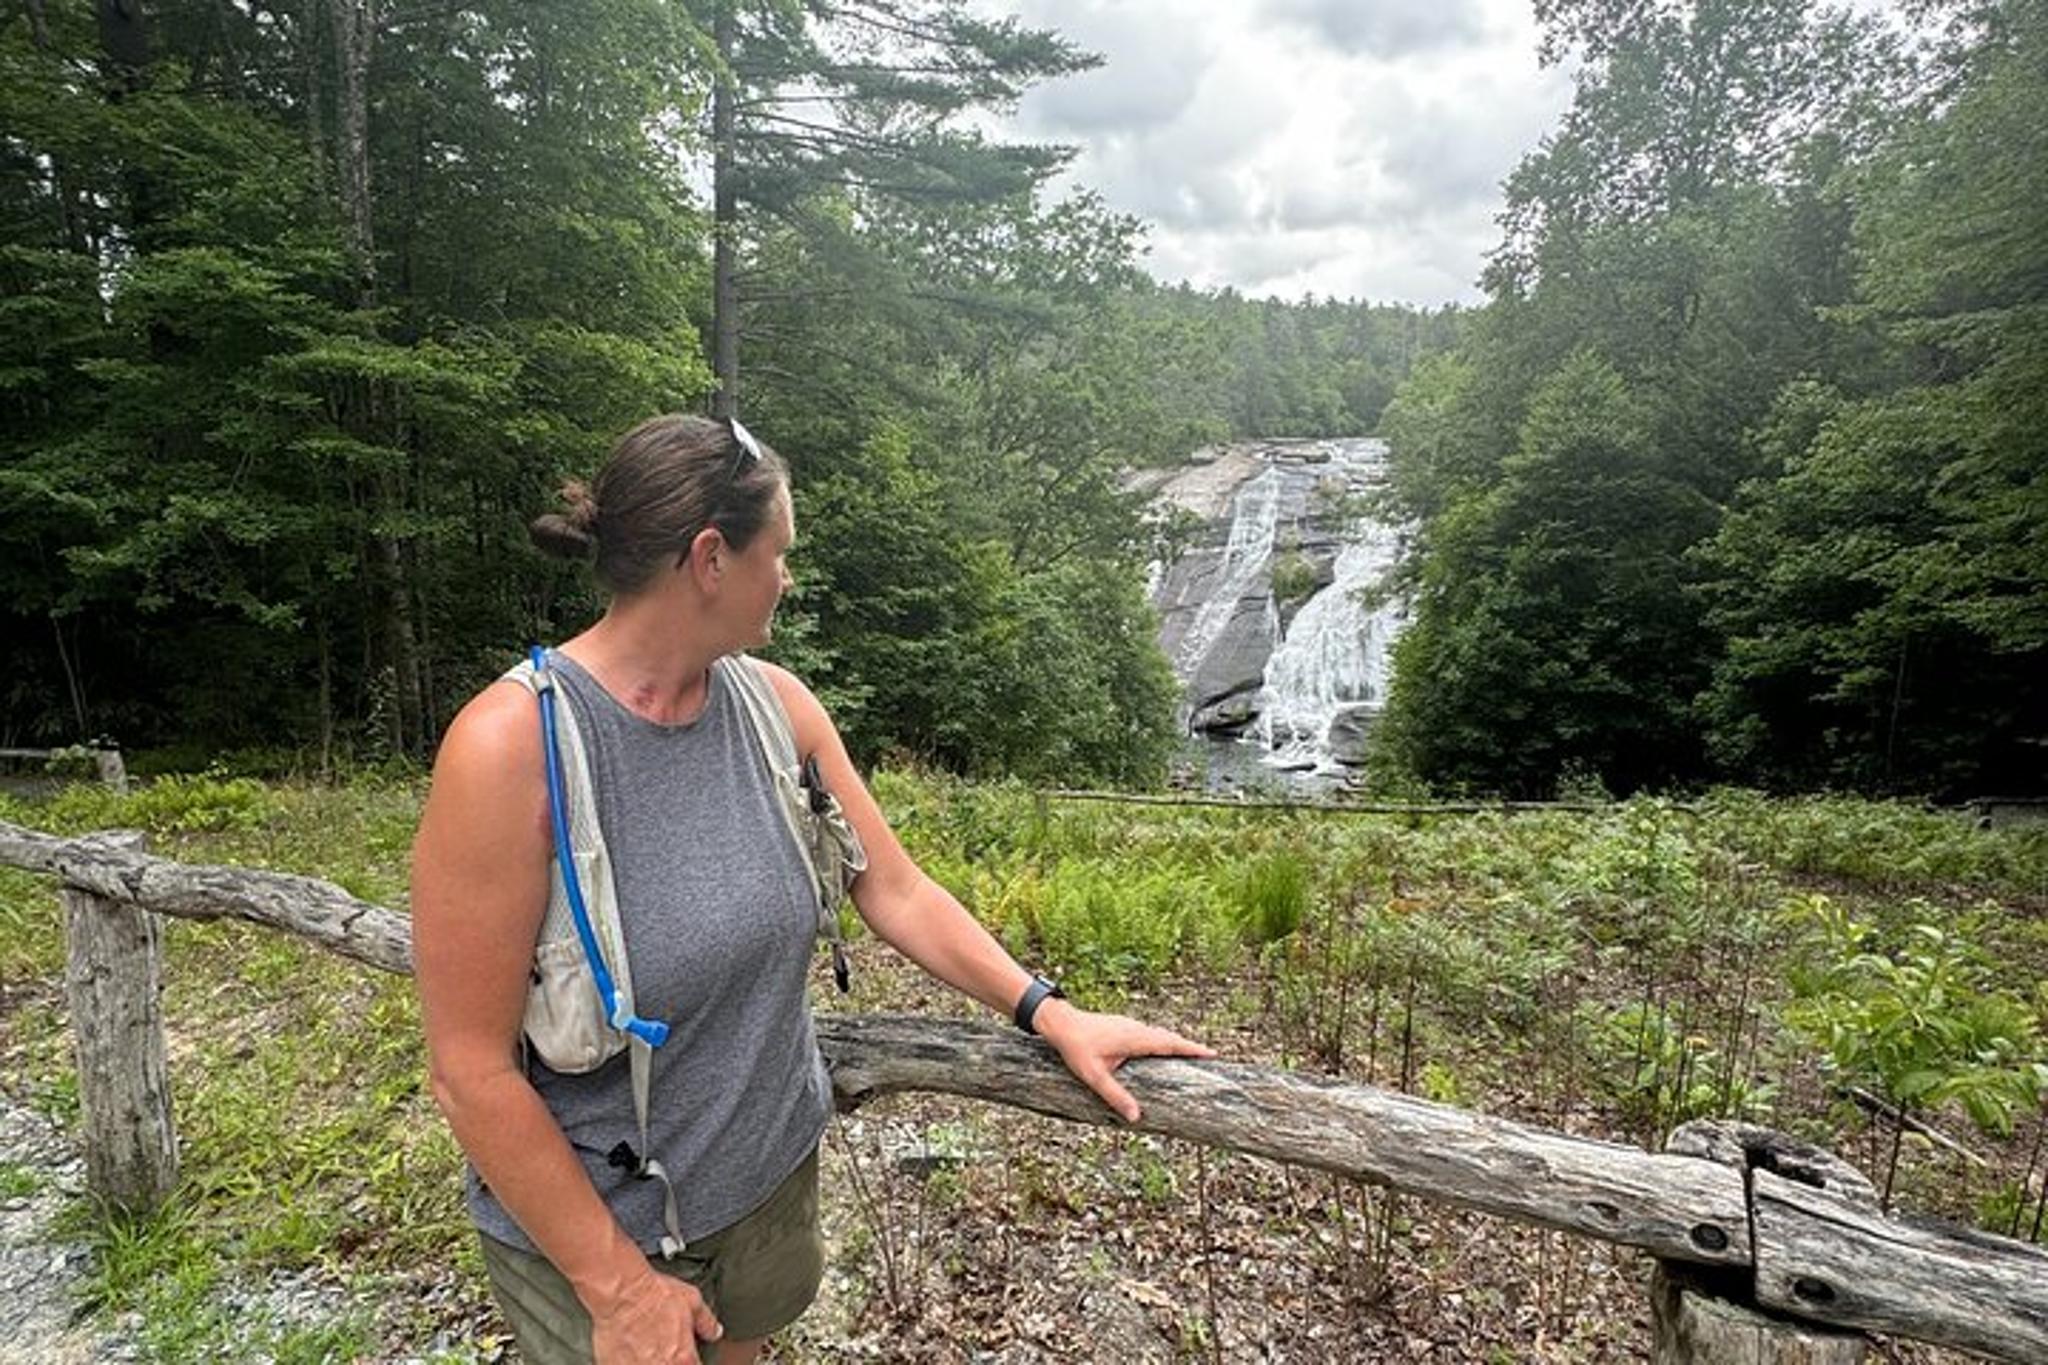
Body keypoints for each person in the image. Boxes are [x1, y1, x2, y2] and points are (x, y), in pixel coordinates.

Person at [410, 413, 1213, 1365]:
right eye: (778, 552)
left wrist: (1050, 1012)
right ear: (711, 559)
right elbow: (469, 1071)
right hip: (599, 1232)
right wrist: (619, 1287)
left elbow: (896, 889)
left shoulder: (775, 707)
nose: (788, 577)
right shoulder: (512, 747)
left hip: (764, 1189)